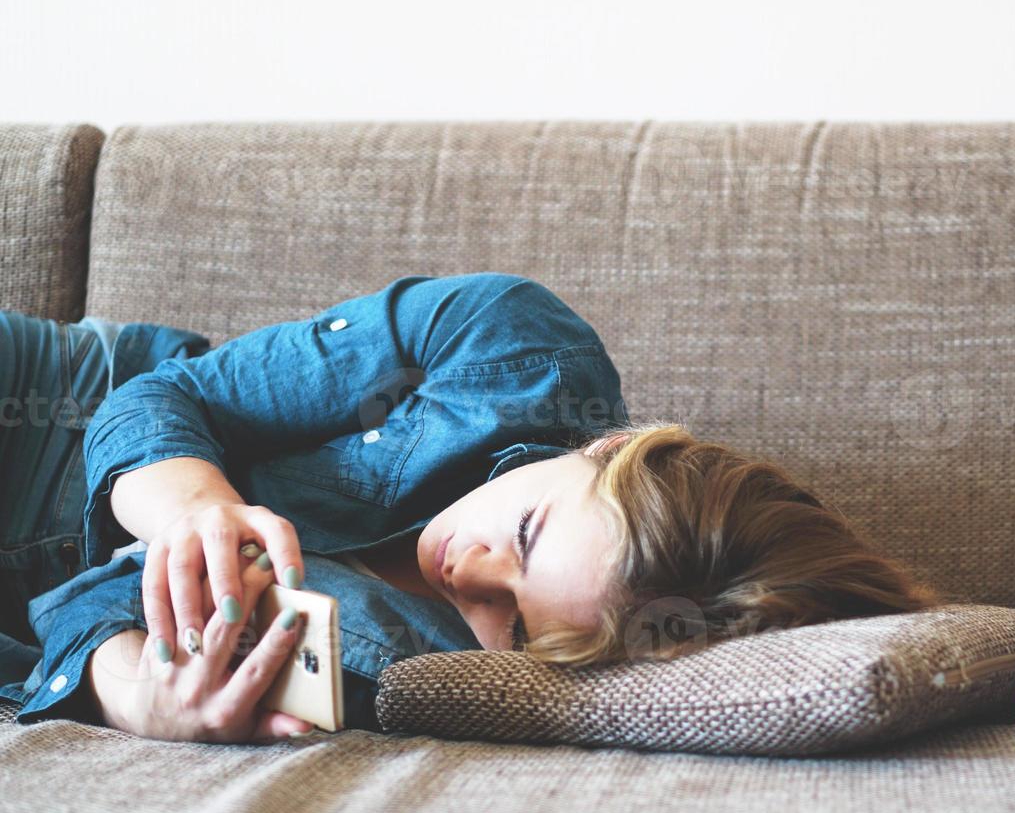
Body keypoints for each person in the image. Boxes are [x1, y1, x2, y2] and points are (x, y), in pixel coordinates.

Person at [0, 273, 937, 743]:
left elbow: (97, 612)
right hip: (47, 418)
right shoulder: (510, 346)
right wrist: (192, 511)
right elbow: (165, 397)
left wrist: (148, 702)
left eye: (514, 621)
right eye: (525, 532)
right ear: (606, 448)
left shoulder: (425, 671)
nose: (467, 567)